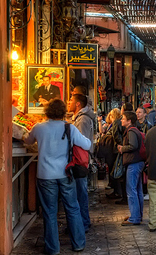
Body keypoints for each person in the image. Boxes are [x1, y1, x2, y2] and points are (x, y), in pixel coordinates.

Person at [23, 99, 91, 254]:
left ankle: (53, 248)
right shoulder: (70, 128)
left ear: (47, 111)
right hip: (66, 173)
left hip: (45, 175)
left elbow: (27, 140)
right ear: (63, 112)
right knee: (72, 208)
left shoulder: (39, 127)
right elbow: (86, 145)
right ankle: (78, 243)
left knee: (50, 212)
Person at [68, 93, 94, 232]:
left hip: (80, 162)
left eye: (71, 100)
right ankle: (81, 222)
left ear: (78, 104)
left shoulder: (82, 120)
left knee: (80, 193)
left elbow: (83, 142)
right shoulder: (79, 118)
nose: (69, 102)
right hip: (79, 161)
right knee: (79, 192)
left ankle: (83, 223)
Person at [118, 111, 145, 226]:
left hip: (134, 163)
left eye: (123, 118)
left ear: (129, 121)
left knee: (131, 190)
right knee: (137, 190)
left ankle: (134, 217)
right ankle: (137, 215)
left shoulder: (131, 131)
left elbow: (133, 145)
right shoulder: (134, 130)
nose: (121, 120)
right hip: (138, 162)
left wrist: (122, 148)